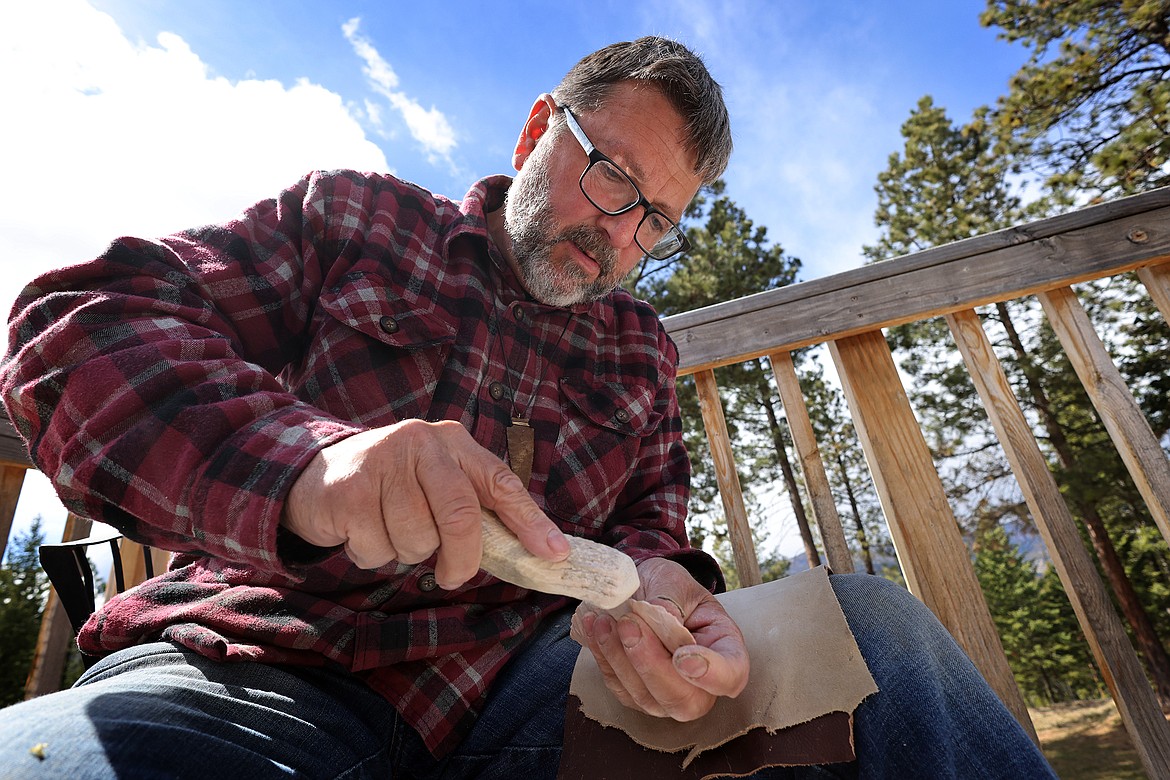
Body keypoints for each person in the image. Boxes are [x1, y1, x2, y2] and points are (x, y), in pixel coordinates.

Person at [0, 36, 1054, 779]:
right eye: (610, 179)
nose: (621, 238)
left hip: (539, 704)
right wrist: (309, 468)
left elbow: (652, 533)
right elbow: (79, 325)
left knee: (868, 633)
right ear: (538, 128)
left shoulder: (640, 351)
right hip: (253, 672)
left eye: (657, 221)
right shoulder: (355, 220)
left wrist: (662, 605)